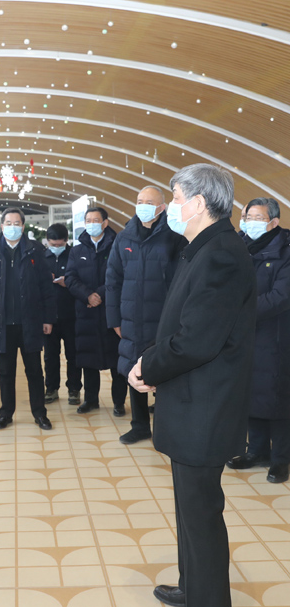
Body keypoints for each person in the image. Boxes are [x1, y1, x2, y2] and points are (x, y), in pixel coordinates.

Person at [129, 164, 257, 607]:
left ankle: (208, 599)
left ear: (199, 202)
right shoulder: (202, 248)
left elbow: (195, 341)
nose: (170, 207)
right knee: (189, 510)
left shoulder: (220, 254)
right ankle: (193, 588)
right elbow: (182, 323)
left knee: (201, 515)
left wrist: (147, 367)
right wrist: (152, 358)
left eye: (177, 198)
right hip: (192, 401)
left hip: (205, 407)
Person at [106, 186, 186, 443]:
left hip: (164, 319)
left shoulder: (174, 236)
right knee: (134, 368)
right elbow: (112, 280)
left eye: (149, 202)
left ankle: (167, 426)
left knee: (165, 369)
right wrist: (114, 319)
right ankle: (139, 425)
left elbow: (182, 280)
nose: (143, 206)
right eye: (140, 201)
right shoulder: (124, 238)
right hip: (131, 318)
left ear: (162, 207)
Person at [0, 207, 56, 430]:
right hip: (2, 323)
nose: (12, 227)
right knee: (5, 372)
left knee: (35, 371)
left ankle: (40, 414)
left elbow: (46, 287)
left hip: (30, 321)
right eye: (8, 223)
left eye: (16, 223)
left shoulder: (35, 251)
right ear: (1, 226)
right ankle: (6, 414)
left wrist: (48, 319)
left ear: (23, 226)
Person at [227, 197, 290, 484]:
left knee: (277, 398)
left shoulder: (285, 250)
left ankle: (280, 459)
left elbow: (281, 296)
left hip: (276, 336)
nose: (250, 223)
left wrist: (241, 310)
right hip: (244, 335)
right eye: (247, 217)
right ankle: (256, 451)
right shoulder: (239, 246)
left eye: (257, 218)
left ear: (274, 222)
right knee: (250, 393)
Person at [65, 207, 128, 415]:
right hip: (86, 312)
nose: (91, 224)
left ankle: (119, 402)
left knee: (116, 359)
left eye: (96, 220)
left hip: (111, 311)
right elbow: (70, 278)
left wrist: (98, 295)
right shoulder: (77, 250)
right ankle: (91, 400)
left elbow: (120, 275)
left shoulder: (117, 246)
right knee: (88, 359)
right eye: (88, 220)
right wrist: (87, 296)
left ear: (105, 223)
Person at [42, 223, 81, 405]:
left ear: (66, 241)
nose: (56, 247)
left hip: (72, 314)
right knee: (50, 355)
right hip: (49, 316)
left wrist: (69, 282)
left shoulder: (74, 255)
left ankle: (74, 389)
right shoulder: (41, 257)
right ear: (47, 242)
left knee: (73, 354)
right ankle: (51, 388)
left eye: (60, 244)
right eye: (53, 244)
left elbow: (82, 280)